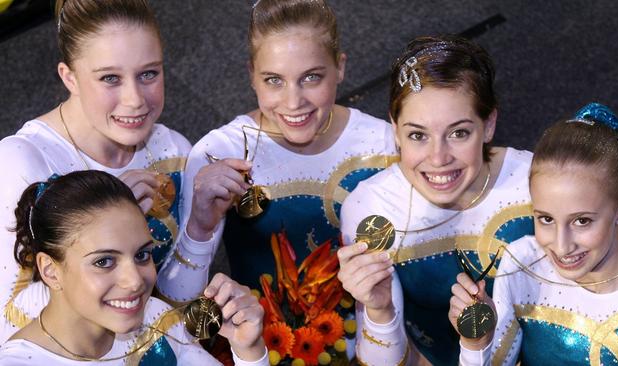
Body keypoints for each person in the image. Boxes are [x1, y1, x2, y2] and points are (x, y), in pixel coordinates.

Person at [0, 0, 216, 343]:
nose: (135, 99)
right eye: (110, 78)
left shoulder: (174, 152)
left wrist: (200, 229)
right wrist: (104, 220)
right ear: (69, 77)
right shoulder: (24, 163)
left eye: (149, 73)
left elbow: (178, 310)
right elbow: (8, 327)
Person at [336, 35, 534, 366]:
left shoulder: (534, 184)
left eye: (459, 133)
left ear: (488, 125)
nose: (438, 158)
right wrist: (379, 309)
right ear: (395, 131)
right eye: (418, 135)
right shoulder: (373, 209)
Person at [182, 0, 396, 289]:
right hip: (255, 332)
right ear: (252, 76)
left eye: (311, 77)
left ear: (340, 68)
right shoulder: (217, 153)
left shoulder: (383, 144)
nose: (294, 102)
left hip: (374, 328)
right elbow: (180, 301)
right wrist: (199, 225)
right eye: (274, 80)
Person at [450, 103, 618, 365]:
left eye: (581, 221)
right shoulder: (523, 263)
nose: (561, 245)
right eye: (546, 219)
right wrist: (476, 342)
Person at [0, 170, 268, 365]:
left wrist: (249, 349)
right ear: (50, 270)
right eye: (103, 261)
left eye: (142, 255)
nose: (135, 282)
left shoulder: (157, 320)